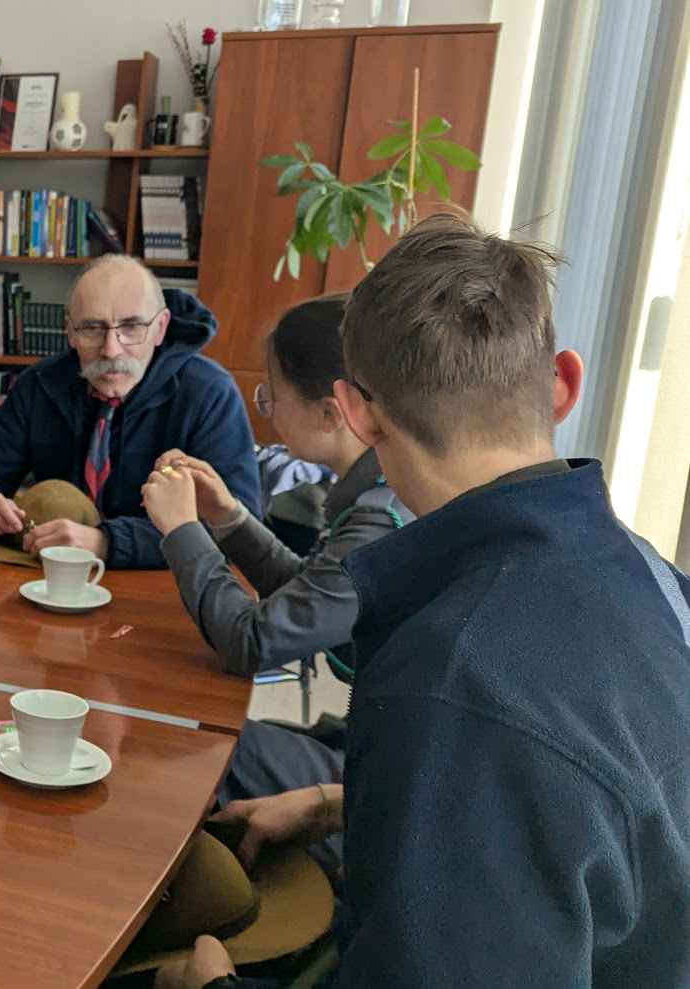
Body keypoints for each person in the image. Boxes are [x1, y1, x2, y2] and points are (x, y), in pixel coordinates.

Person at [159, 215, 690, 987]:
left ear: (358, 411)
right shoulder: (657, 580)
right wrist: (338, 802)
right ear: (563, 384)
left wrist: (211, 986)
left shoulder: (450, 678)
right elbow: (599, 818)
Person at [141, 296, 410, 844]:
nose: (266, 410)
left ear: (331, 412)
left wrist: (182, 530)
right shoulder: (379, 490)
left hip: (380, 787)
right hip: (374, 742)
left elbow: (252, 641)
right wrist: (229, 518)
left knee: (192, 743)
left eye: (271, 394)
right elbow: (308, 595)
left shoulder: (379, 520)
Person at [0, 256, 259, 569]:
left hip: (165, 586)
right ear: (70, 332)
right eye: (92, 328)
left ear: (161, 328)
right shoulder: (41, 383)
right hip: (51, 578)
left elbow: (236, 530)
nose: (111, 350)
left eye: (131, 327)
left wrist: (108, 543)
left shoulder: (209, 392)